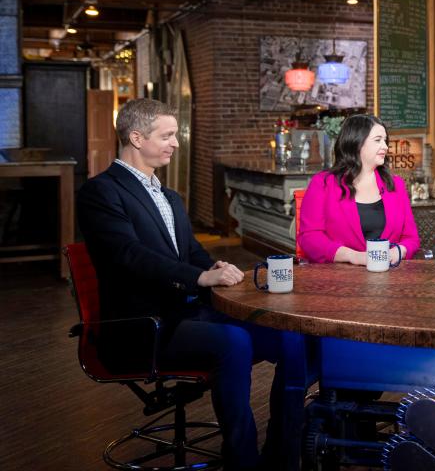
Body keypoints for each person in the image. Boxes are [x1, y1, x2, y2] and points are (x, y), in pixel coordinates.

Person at [77, 99, 302, 471]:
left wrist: (216, 266)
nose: (176, 143)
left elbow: (192, 253)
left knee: (288, 336)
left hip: (186, 313)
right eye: (167, 135)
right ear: (136, 137)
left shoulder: (169, 196)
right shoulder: (100, 192)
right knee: (235, 340)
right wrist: (199, 277)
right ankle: (242, 462)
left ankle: (282, 455)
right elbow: (129, 255)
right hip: (141, 327)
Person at [299, 114, 420, 264]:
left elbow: (411, 238)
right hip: (339, 279)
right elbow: (309, 237)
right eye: (378, 140)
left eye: (385, 140)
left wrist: (398, 252)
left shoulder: (396, 185)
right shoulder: (323, 184)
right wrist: (353, 256)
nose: (385, 146)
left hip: (389, 276)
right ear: (356, 143)